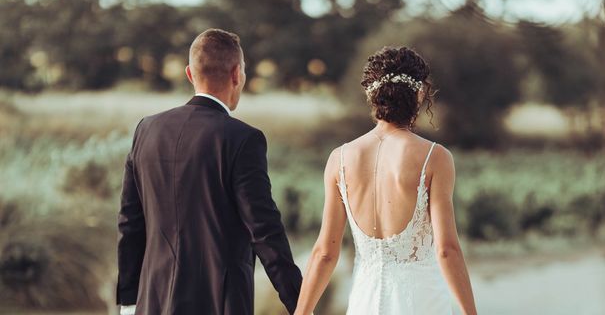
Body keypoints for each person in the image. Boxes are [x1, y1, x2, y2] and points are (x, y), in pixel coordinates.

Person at [116, 28, 303, 315]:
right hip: (219, 302)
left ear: (190, 74)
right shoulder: (243, 139)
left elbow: (130, 222)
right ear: (237, 74)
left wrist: (129, 301)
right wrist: (300, 304)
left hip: (153, 301)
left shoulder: (147, 129)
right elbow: (264, 230)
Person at [294, 46, 477, 315]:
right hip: (421, 301)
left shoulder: (340, 158)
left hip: (365, 300)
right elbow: (447, 249)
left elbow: (324, 252)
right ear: (419, 93)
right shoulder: (435, 157)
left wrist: (302, 311)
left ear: (372, 96)